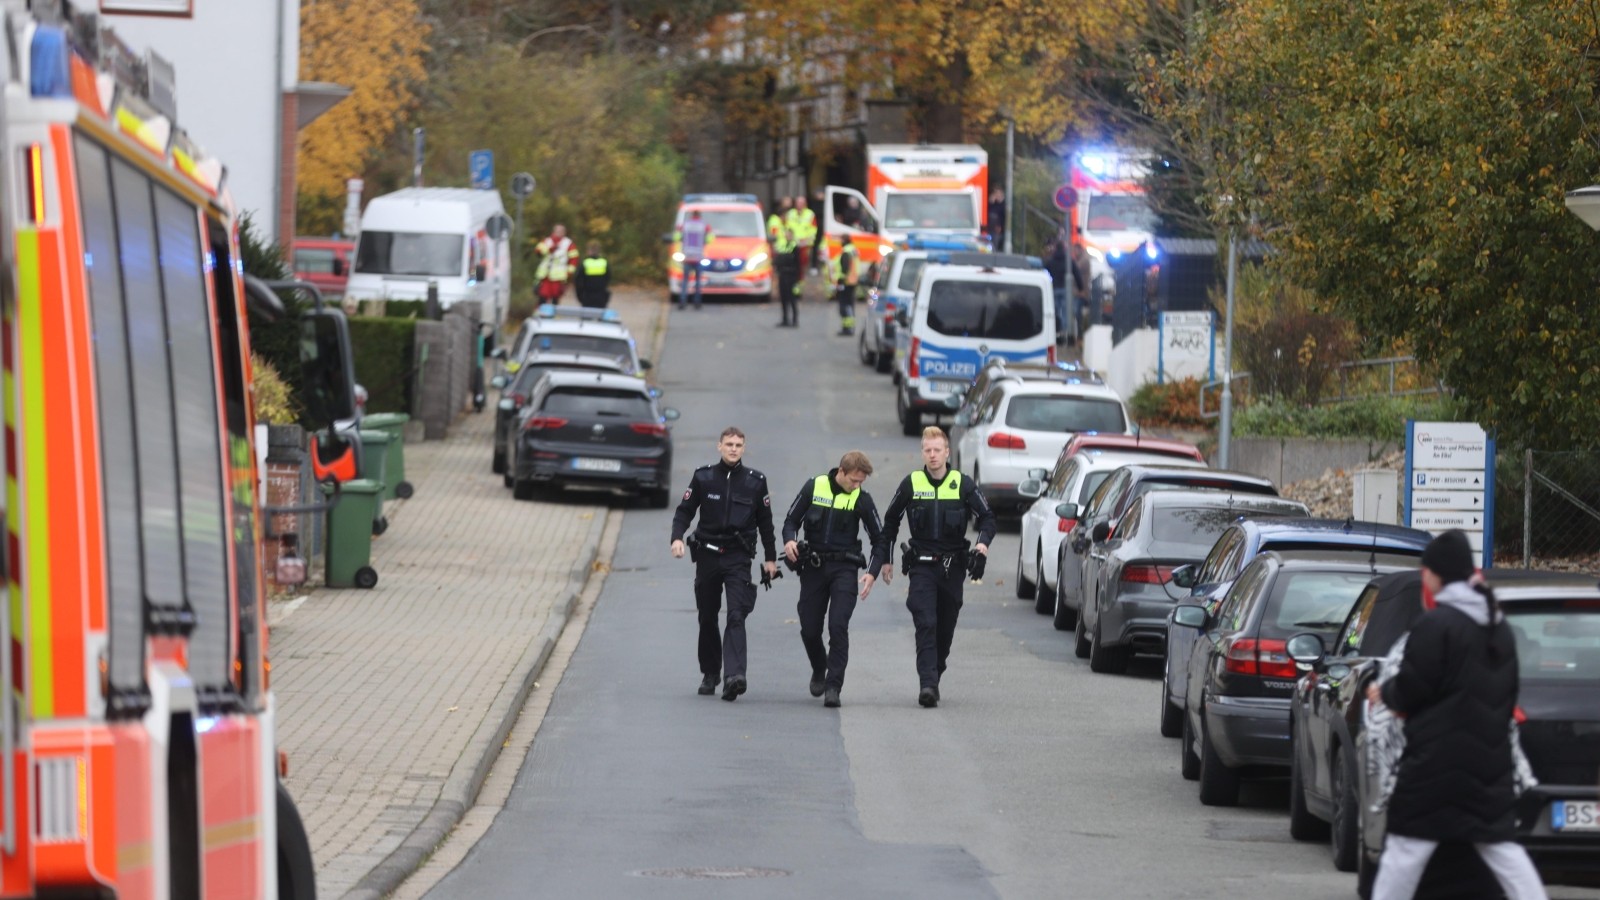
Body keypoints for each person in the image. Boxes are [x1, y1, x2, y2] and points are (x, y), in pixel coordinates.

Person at [1363, 530, 1547, 900]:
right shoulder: (1498, 627)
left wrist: (1384, 691)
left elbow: (1414, 687)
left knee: (1403, 853)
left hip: (1435, 767)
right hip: (1487, 765)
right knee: (1502, 852)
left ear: (1435, 574)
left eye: (1426, 571)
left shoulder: (1436, 625)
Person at [876, 426, 996, 707]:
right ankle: (927, 685)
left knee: (944, 628)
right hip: (921, 566)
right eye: (927, 450)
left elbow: (988, 518)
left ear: (946, 452)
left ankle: (935, 671)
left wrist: (982, 546)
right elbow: (890, 522)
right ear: (922, 452)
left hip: (952, 568)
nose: (932, 455)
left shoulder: (963, 484)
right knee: (925, 622)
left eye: (937, 450)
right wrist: (887, 559)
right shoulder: (911, 483)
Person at [671, 427, 779, 701]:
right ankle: (710, 673)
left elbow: (766, 523)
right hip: (707, 554)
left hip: (737, 556)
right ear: (719, 446)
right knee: (707, 616)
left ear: (744, 448)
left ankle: (735, 676)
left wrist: (770, 559)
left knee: (736, 615)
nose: (733, 449)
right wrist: (677, 538)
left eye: (738, 445)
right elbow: (684, 511)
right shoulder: (703, 477)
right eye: (729, 444)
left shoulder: (755, 481)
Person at [781, 451, 885, 708]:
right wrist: (790, 540)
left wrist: (872, 572)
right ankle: (819, 667)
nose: (857, 486)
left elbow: (879, 540)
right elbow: (790, 521)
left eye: (861, 482)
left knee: (838, 626)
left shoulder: (862, 499)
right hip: (814, 568)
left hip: (844, 569)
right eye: (853, 480)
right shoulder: (814, 486)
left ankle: (833, 686)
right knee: (809, 628)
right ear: (841, 472)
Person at [676, 210, 713, 311]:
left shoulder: (685, 225)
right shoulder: (704, 226)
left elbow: (677, 238)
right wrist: (709, 232)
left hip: (687, 258)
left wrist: (679, 231)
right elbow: (710, 240)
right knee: (698, 282)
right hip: (698, 258)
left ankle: (682, 302)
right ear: (699, 216)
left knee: (685, 282)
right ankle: (697, 303)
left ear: (692, 215)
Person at [533, 224, 579, 303]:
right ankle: (541, 313)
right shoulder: (547, 241)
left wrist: (569, 272)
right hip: (545, 275)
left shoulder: (568, 244)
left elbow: (574, 259)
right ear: (553, 231)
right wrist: (550, 249)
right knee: (542, 297)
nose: (559, 233)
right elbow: (538, 251)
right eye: (557, 231)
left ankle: (553, 314)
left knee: (555, 298)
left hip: (558, 277)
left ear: (564, 233)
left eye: (561, 231)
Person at [830, 234, 860, 336]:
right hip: (852, 281)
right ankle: (849, 327)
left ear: (844, 240)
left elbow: (844, 269)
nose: (840, 242)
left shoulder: (846, 252)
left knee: (844, 305)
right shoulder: (853, 250)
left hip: (845, 282)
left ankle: (847, 328)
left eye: (841, 240)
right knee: (849, 305)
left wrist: (839, 280)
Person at [773, 221, 802, 328]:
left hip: (791, 276)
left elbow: (798, 264)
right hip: (783, 275)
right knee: (784, 298)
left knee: (792, 299)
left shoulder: (795, 247)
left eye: (789, 234)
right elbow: (778, 259)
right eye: (786, 234)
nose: (787, 235)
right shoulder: (783, 246)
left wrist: (797, 278)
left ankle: (794, 320)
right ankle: (785, 319)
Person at [1043, 230, 1070, 343]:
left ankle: (1056, 331)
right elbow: (1076, 273)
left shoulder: (1051, 260)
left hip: (1053, 288)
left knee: (1055, 311)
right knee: (1064, 311)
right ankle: (1064, 332)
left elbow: (1045, 271)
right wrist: (1081, 287)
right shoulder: (1067, 261)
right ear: (1063, 249)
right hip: (1064, 289)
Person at [573, 241, 611, 309]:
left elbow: (578, 280)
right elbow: (608, 278)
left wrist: (580, 295)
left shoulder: (585, 263)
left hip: (587, 294)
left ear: (589, 251)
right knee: (600, 316)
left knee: (587, 316)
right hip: (600, 294)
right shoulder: (604, 262)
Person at [787, 196, 818, 276]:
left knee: (803, 264)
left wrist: (808, 240)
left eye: (801, 203)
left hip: (805, 243)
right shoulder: (790, 213)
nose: (799, 205)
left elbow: (813, 229)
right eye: (798, 203)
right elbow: (787, 226)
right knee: (792, 263)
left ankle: (800, 279)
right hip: (792, 242)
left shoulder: (810, 214)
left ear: (805, 204)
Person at [1069, 237, 1093, 333]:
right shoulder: (1079, 260)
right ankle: (1077, 332)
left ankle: (1079, 332)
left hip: (1081, 292)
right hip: (1078, 292)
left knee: (1077, 313)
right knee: (1076, 313)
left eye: (1075, 250)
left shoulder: (1084, 260)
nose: (1074, 253)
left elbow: (1076, 268)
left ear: (1079, 250)